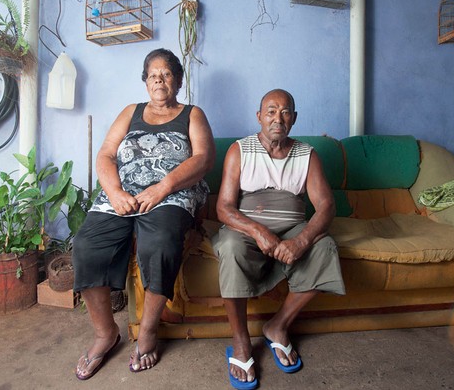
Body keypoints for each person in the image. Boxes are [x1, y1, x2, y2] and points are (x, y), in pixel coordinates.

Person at [72, 48, 215, 380]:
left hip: (172, 194)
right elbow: (106, 154)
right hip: (122, 194)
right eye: (153, 75)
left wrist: (162, 188)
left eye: (166, 74)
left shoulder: (192, 114)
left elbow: (205, 158)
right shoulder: (131, 112)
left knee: (162, 243)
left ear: (178, 80)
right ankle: (106, 334)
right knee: (86, 245)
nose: (159, 80)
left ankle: (148, 331)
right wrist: (115, 193)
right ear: (145, 81)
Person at [212, 89, 345, 389]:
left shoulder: (307, 155)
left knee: (324, 247)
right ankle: (241, 341)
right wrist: (258, 231)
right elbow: (223, 207)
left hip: (293, 229)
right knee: (231, 248)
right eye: (271, 111)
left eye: (285, 112)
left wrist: (302, 240)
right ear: (259, 117)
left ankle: (278, 326)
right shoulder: (240, 150)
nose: (278, 118)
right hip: (247, 230)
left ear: (294, 119)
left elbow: (326, 206)